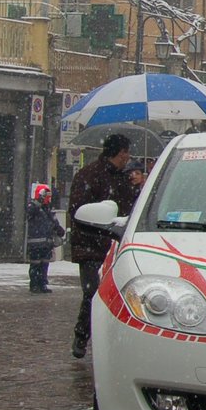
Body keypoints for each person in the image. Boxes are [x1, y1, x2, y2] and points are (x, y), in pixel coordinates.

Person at [67, 133, 138, 359]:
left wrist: (140, 187)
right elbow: (78, 212)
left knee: (123, 295)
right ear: (117, 153)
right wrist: (99, 231)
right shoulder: (88, 175)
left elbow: (132, 210)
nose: (128, 157)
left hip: (118, 246)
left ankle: (114, 341)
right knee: (94, 294)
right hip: (91, 247)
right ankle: (82, 336)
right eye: (126, 152)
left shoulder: (125, 178)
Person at [24, 183, 64, 294]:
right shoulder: (33, 206)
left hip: (47, 244)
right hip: (36, 244)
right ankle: (34, 285)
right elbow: (29, 213)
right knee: (35, 265)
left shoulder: (48, 210)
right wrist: (38, 202)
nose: (48, 198)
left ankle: (42, 284)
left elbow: (54, 222)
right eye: (46, 195)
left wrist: (59, 230)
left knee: (44, 264)